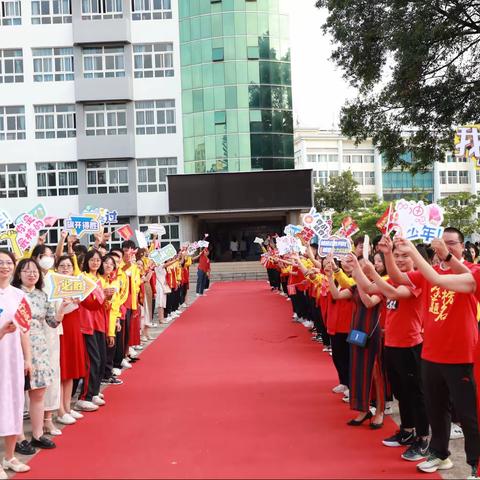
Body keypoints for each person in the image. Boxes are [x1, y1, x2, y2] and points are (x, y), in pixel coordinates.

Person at [392, 233, 480, 478]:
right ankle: (440, 454)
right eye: (442, 242)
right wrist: (392, 253)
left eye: (452, 242)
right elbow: (400, 278)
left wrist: (437, 254)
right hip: (431, 353)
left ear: (464, 247)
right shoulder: (430, 272)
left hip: (462, 355)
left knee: (468, 414)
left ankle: (475, 463)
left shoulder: (470, 271)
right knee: (436, 409)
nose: (444, 245)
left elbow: (439, 279)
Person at [347, 246, 430, 462]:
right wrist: (356, 265)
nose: (400, 260)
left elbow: (392, 293)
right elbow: (368, 287)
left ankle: (423, 439)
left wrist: (371, 270)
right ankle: (407, 430)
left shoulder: (417, 280)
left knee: (415, 393)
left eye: (405, 256)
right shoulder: (391, 280)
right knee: (402, 392)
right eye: (397, 257)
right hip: (391, 344)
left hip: (410, 345)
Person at [12, 258, 65, 453]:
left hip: (40, 347)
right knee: (17, 393)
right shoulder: (13, 294)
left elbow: (52, 322)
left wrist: (62, 309)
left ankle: (37, 434)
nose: (32, 274)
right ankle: (18, 437)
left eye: (35, 270)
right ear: (19, 274)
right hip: (15, 346)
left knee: (39, 391)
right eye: (26, 270)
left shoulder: (44, 295)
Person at [0, 250, 32, 476]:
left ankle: (10, 457)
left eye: (8, 262)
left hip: (13, 359)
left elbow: (24, 330)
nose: (4, 266)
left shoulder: (20, 296)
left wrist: (28, 358)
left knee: (14, 404)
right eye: (0, 263)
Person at [55, 256, 87, 424]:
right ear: (57, 268)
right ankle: (60, 411)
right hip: (60, 329)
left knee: (71, 371)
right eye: (62, 266)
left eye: (68, 265)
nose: (66, 268)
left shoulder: (76, 284)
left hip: (74, 328)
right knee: (62, 371)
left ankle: (67, 407)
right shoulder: (53, 286)